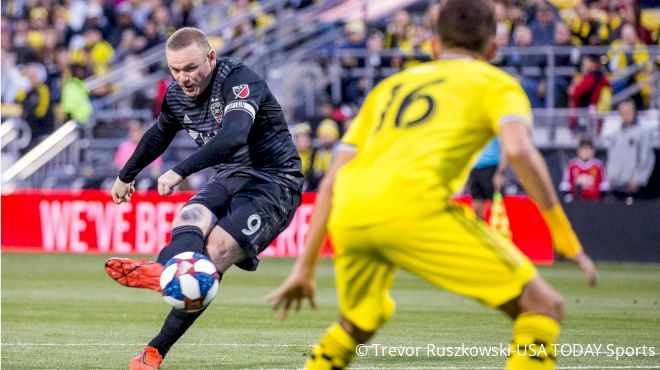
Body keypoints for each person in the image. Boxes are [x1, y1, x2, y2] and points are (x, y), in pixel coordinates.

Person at [266, 2, 597, 370]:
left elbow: (331, 181)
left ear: (434, 45)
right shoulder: (498, 83)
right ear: (493, 49)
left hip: (351, 212)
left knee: (359, 322)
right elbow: (518, 148)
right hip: (414, 207)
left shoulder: (390, 87)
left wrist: (305, 268)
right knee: (544, 306)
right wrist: (566, 240)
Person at [104, 27, 302, 369]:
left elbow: (234, 134)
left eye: (191, 68)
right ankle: (164, 271)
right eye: (175, 70)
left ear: (211, 57)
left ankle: (156, 347)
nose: (183, 77)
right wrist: (126, 174)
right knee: (189, 217)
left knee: (217, 251)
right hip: (229, 176)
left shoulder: (240, 81)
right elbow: (159, 134)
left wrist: (179, 171)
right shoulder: (177, 95)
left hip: (274, 181)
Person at [606, 99, 655, 201]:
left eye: (628, 111)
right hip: (616, 184)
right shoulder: (616, 133)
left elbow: (646, 159)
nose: (625, 115)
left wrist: (638, 180)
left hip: (633, 186)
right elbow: (611, 157)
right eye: (622, 112)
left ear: (634, 112)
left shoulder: (642, 132)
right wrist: (609, 178)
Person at [468, 137, 507, 220]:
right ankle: (479, 227)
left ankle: (498, 229)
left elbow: (505, 148)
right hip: (475, 167)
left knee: (497, 201)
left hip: (492, 166)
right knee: (477, 199)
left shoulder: (497, 127)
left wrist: (500, 173)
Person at [559, 137, 608, 201]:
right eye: (583, 149)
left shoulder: (598, 166)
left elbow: (604, 185)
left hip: (594, 203)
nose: (585, 151)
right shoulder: (572, 165)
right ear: (578, 151)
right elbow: (565, 185)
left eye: (588, 149)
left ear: (593, 151)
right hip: (575, 203)